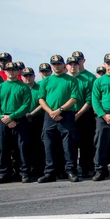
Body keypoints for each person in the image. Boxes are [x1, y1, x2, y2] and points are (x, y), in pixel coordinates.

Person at [36, 55, 81, 183]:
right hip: (50, 115)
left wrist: (59, 110)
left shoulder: (71, 80)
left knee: (69, 144)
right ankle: (50, 172)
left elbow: (74, 98)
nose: (57, 66)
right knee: (48, 144)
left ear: (64, 65)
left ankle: (70, 170)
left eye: (59, 64)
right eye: (54, 64)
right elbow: (41, 99)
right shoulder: (46, 81)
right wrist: (51, 112)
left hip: (66, 114)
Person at [0, 63, 33, 183]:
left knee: (22, 147)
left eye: (13, 70)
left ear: (17, 72)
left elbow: (26, 105)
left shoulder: (23, 87)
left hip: (19, 120)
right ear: (4, 72)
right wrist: (3, 118)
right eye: (8, 70)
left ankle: (23, 172)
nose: (11, 72)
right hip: (3, 120)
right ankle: (4, 173)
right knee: (3, 147)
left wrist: (13, 117)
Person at [67, 54, 96, 179]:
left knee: (87, 143)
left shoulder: (89, 78)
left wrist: (79, 113)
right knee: (69, 143)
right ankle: (70, 168)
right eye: (72, 63)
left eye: (77, 62)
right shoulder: (65, 78)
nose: (75, 65)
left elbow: (91, 98)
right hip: (67, 114)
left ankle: (87, 168)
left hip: (84, 114)